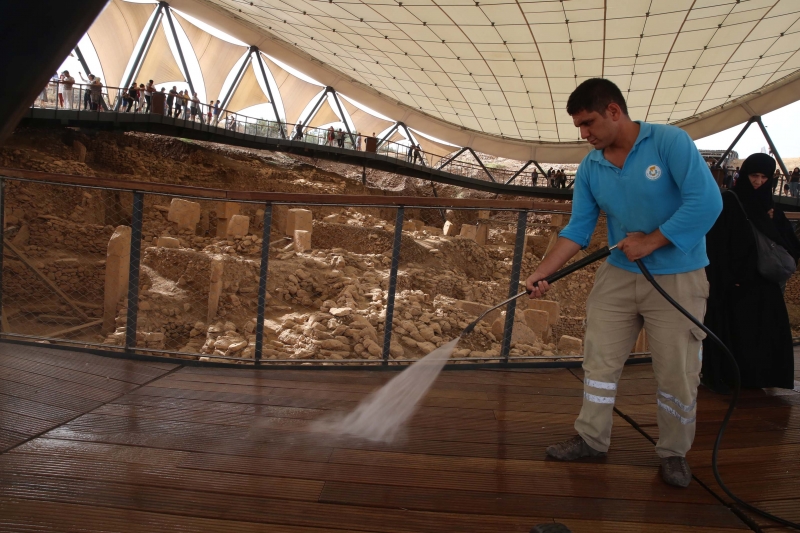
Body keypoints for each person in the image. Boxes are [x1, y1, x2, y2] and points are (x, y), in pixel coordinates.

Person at [525, 78, 721, 488]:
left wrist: (651, 241)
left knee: (677, 372)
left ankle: (673, 453)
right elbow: (579, 228)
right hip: (619, 274)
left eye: (589, 122)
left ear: (614, 111)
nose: (584, 134)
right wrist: (544, 271)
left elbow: (707, 202)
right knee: (598, 362)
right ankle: (592, 438)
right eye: (579, 126)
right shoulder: (592, 165)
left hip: (678, 277)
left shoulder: (669, 142)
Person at [702, 154, 800, 394]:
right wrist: (726, 278)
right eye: (753, 176)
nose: (758, 182)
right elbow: (717, 244)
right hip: (733, 283)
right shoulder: (730, 201)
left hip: (762, 283)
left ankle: (757, 379)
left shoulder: (770, 209)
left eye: (763, 177)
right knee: (733, 331)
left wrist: (773, 221)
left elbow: (788, 244)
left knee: (761, 334)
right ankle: (728, 378)